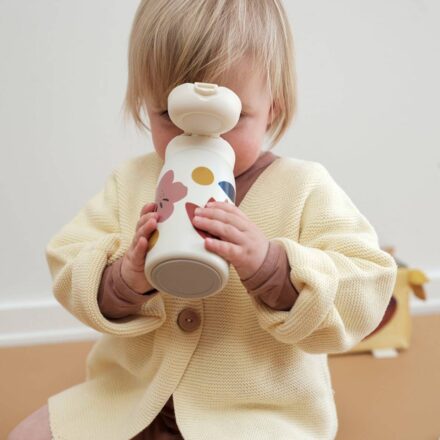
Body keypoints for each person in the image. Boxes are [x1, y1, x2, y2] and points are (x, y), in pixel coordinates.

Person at [8, 1, 397, 439]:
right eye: (171, 117)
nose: (198, 136)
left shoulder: (304, 186)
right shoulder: (131, 181)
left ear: (273, 107)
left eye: (227, 119)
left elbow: (367, 283)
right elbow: (68, 258)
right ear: (144, 105)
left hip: (253, 416)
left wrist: (274, 269)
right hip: (129, 398)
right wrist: (122, 280)